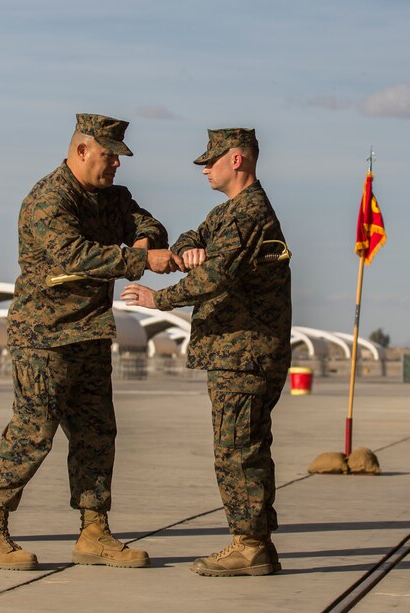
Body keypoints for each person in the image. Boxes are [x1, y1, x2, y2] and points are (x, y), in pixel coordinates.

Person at [0, 113, 180, 571]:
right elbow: (74, 255)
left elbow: (152, 226)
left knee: (96, 433)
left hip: (89, 332)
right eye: (109, 156)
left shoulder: (115, 198)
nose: (116, 166)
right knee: (33, 431)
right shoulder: (49, 198)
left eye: (119, 158)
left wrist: (145, 241)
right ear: (82, 151)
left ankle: (94, 531)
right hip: (44, 336)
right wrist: (140, 258)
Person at [121, 128, 292, 577]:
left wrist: (159, 299)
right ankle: (255, 541)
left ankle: (250, 544)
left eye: (211, 160)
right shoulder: (227, 212)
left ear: (237, 160)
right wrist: (185, 248)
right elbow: (193, 234)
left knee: (238, 449)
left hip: (245, 353)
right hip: (235, 353)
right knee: (243, 446)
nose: (204, 167)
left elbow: (215, 277)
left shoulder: (248, 213)